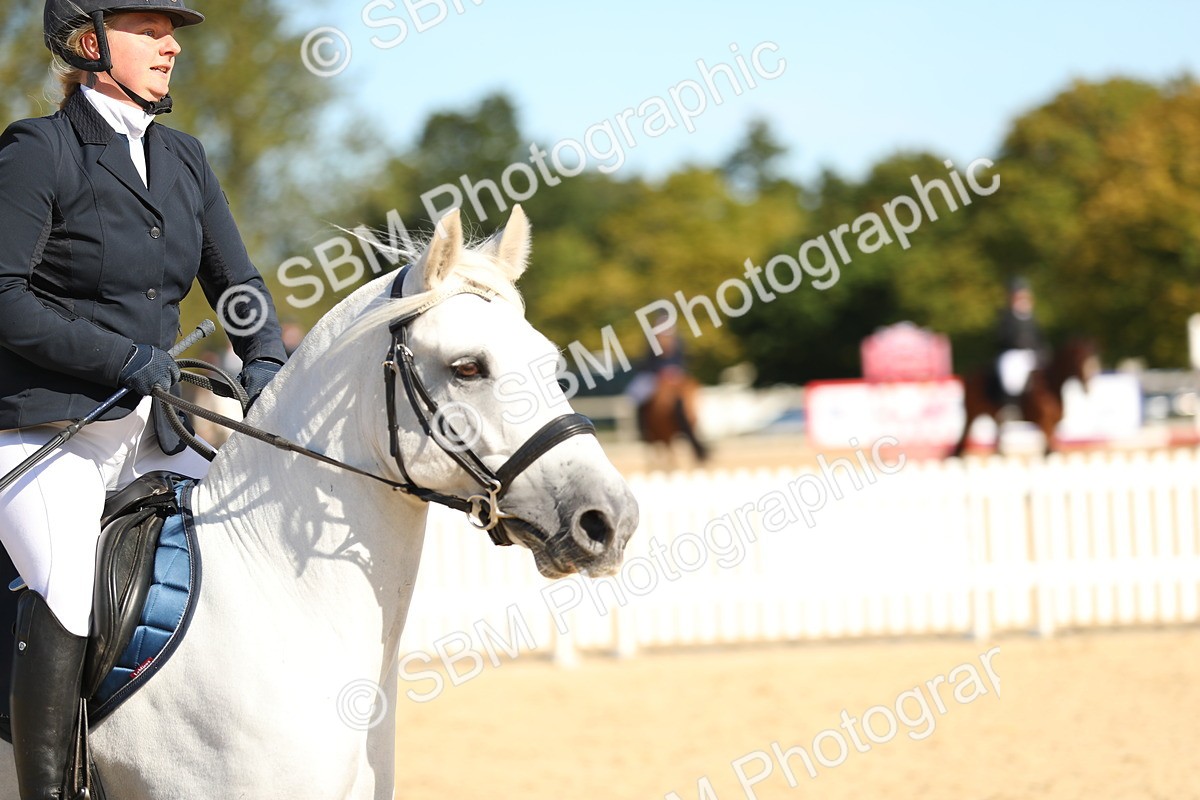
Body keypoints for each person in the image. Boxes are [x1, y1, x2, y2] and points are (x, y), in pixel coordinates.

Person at [0, 3, 287, 797]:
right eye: (148, 31)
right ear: (89, 43)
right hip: (49, 432)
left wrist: (266, 361)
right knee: (63, 582)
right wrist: (124, 356)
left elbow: (239, 287)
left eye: (173, 34)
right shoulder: (39, 148)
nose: (169, 47)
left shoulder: (184, 156)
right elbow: (4, 297)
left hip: (154, 432)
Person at [993, 276, 1045, 407]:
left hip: (1032, 353)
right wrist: (1018, 343)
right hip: (1013, 354)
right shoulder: (1007, 317)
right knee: (1012, 376)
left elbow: (1039, 337)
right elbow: (1002, 337)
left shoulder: (1032, 318)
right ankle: (1010, 404)